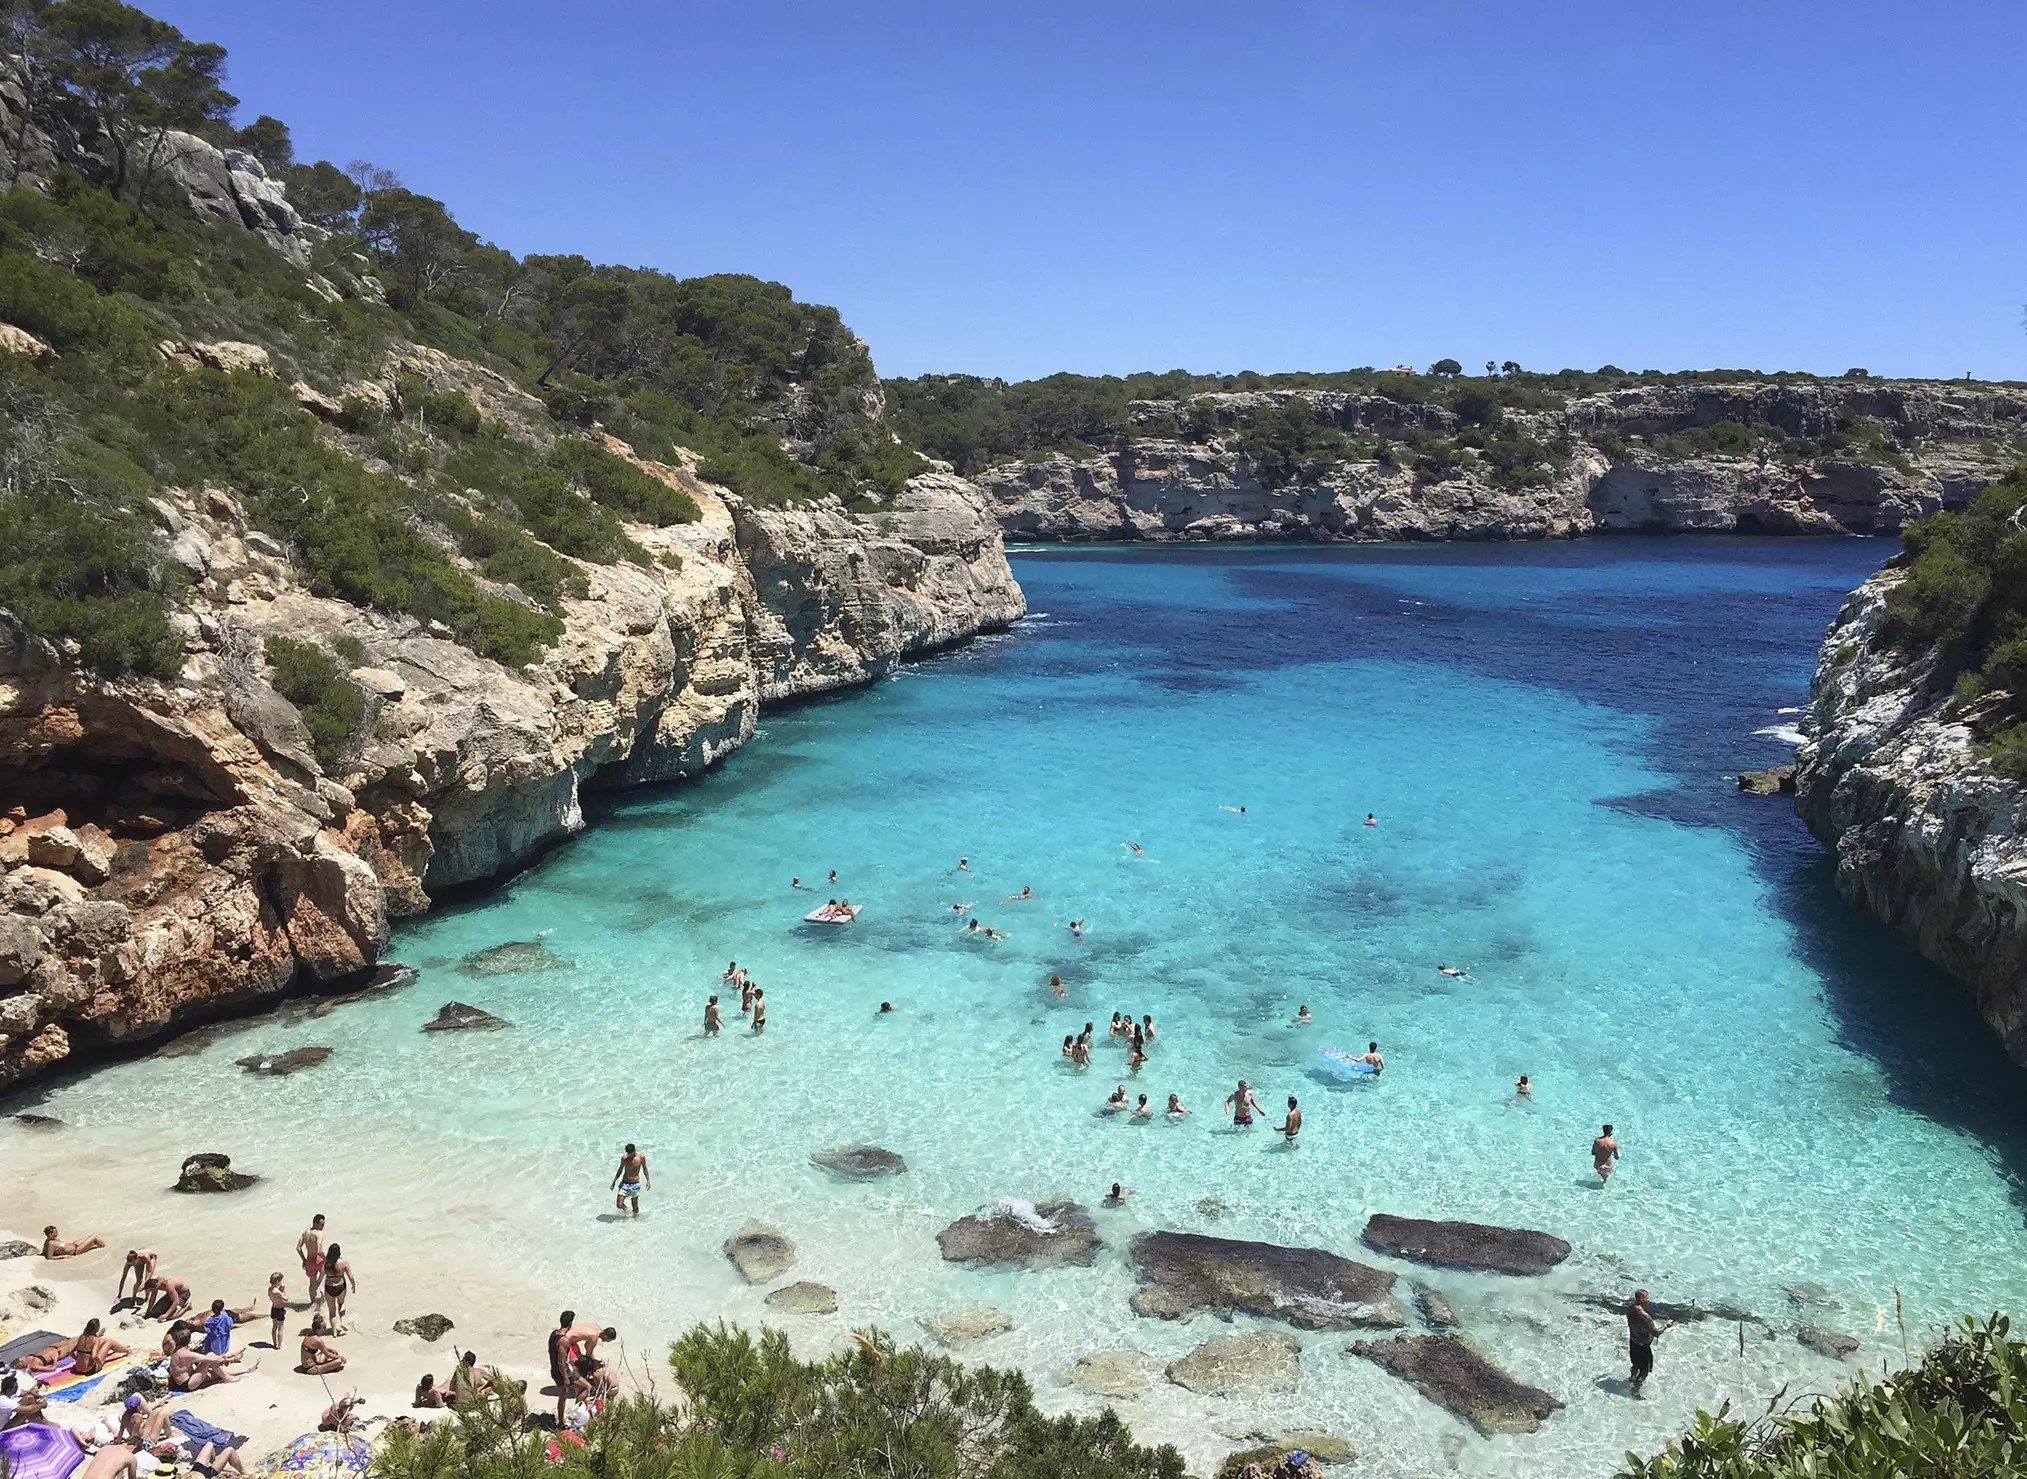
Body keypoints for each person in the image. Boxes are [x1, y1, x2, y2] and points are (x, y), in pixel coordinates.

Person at [169, 1331, 257, 1390]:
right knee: (210, 1356)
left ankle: (247, 1369)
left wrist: (221, 1359)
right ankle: (227, 1378)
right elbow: (209, 1358)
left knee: (215, 1372)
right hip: (187, 1384)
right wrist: (224, 1358)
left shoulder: (177, 1350)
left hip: (187, 1379)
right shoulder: (185, 1354)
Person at [1627, 1289, 1665, 1396]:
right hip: (1642, 1347)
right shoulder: (1644, 1316)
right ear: (1640, 1299)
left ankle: (1632, 1378)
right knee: (1644, 1371)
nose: (1648, 1300)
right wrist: (1666, 1326)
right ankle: (1635, 1391)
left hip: (1633, 1342)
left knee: (1635, 1364)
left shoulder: (1630, 1309)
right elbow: (1656, 1332)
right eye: (1646, 1298)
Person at [297, 1215, 327, 1318]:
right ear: (315, 1223)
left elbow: (298, 1248)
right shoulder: (319, 1233)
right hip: (318, 1260)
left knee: (311, 1282)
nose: (323, 1226)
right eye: (321, 1224)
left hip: (309, 1260)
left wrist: (303, 1260)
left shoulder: (305, 1233)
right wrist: (326, 1258)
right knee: (325, 1276)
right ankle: (321, 1298)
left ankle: (312, 1302)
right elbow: (319, 1251)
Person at [322, 1242, 356, 1334]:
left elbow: (320, 1278)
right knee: (341, 1304)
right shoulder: (344, 1263)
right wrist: (353, 1286)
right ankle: (342, 1323)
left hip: (329, 1287)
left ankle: (334, 1332)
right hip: (341, 1287)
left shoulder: (326, 1264)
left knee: (332, 1311)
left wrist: (316, 1286)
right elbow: (351, 1277)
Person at [612, 1143, 650, 1217]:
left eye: (630, 1153)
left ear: (634, 1150)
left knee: (635, 1206)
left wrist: (648, 1180)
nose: (629, 1155)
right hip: (624, 1183)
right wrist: (614, 1181)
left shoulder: (641, 1157)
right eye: (628, 1153)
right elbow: (620, 1170)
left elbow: (645, 1168)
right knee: (619, 1204)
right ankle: (627, 1211)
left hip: (635, 1184)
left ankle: (635, 1219)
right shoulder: (624, 1158)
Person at [267, 1273, 288, 1350]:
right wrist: (283, 1290)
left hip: (273, 1308)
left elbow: (274, 1297)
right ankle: (279, 1345)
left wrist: (280, 1289)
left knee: (274, 1326)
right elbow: (285, 1299)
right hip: (280, 1309)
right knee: (280, 1327)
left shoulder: (270, 1289)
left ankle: (275, 1343)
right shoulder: (277, 1292)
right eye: (280, 1281)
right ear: (277, 1281)